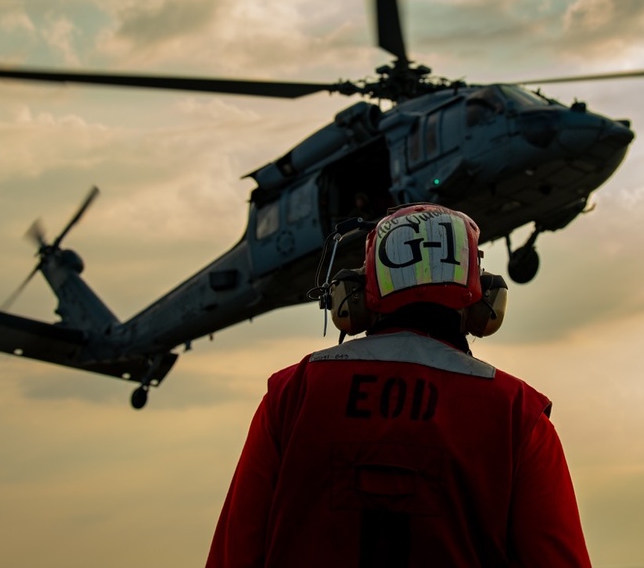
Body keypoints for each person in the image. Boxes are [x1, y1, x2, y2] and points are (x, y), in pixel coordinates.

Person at [206, 204, 592, 567]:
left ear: (354, 297)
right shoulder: (517, 414)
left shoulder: (291, 395)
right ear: (483, 301)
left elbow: (234, 553)